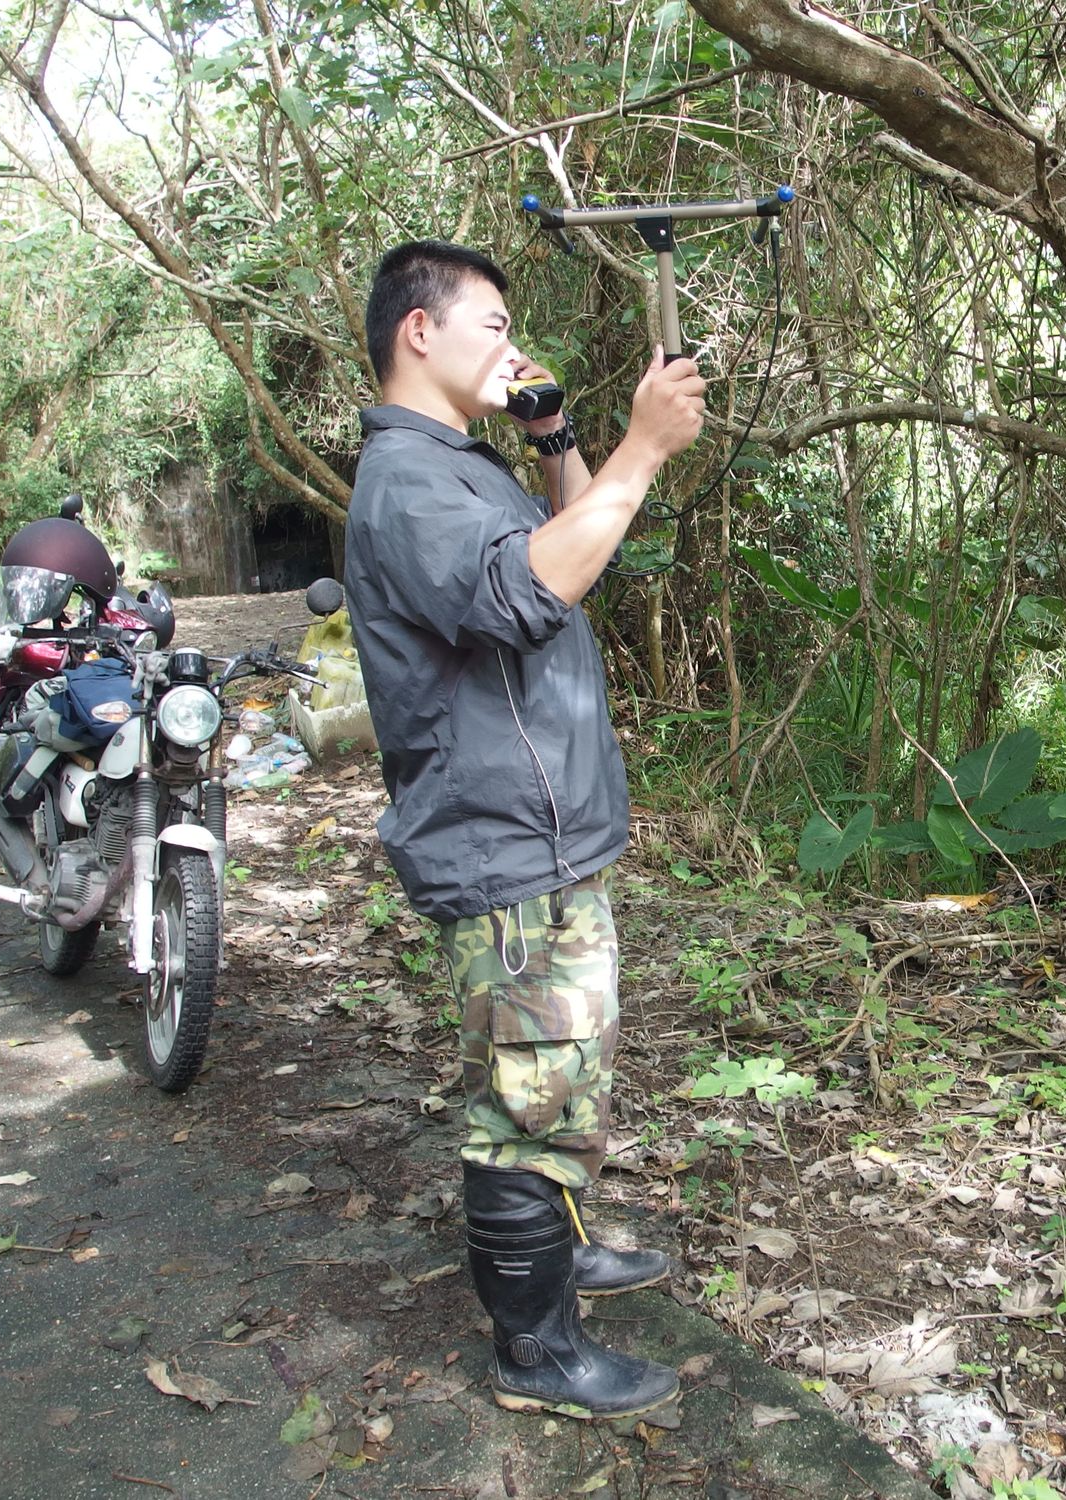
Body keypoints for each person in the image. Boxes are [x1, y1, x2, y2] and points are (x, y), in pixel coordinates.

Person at [344, 240, 705, 1420]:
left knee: (557, 1073)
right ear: (420, 330)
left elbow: (578, 545)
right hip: (502, 843)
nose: (510, 344)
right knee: (527, 1106)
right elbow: (522, 594)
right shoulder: (408, 480)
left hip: (541, 836)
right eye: (492, 324)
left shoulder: (459, 461)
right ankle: (534, 1353)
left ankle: (557, 1255)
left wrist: (557, 439)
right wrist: (643, 447)